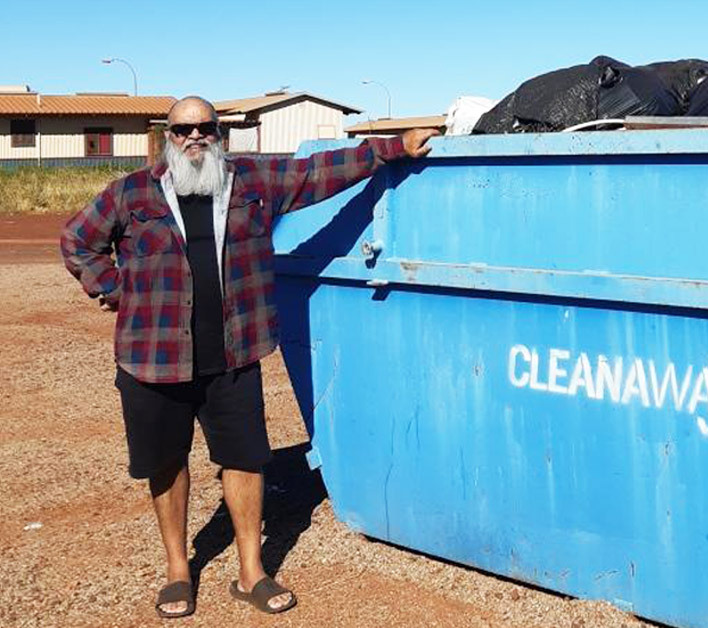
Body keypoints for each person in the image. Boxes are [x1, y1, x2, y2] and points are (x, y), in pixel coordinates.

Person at [60, 96, 438, 618]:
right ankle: (177, 569)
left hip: (233, 355)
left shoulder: (251, 183)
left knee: (245, 460)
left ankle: (251, 571)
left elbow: (315, 173)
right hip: (154, 357)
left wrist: (393, 148)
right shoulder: (130, 193)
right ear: (166, 137)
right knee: (167, 463)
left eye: (205, 129)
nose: (195, 137)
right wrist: (115, 289)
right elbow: (77, 240)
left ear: (221, 133)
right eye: (182, 130)